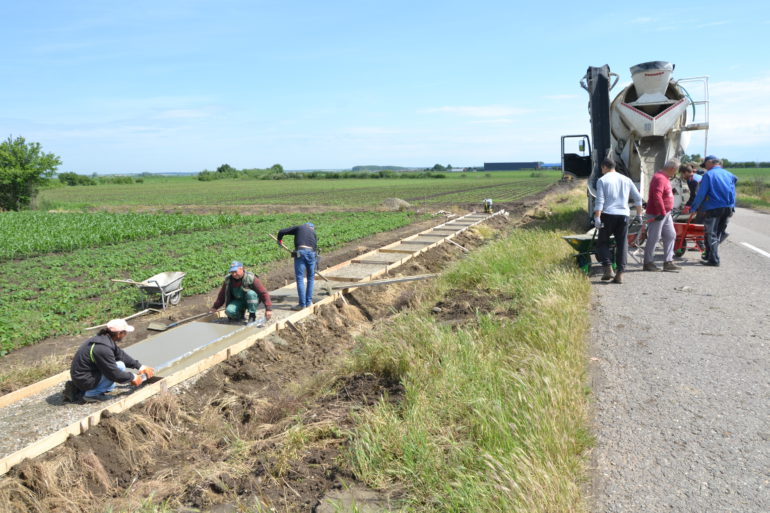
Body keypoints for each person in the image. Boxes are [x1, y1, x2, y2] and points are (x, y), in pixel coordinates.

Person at [64, 318, 154, 403]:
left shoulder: (104, 339)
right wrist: (132, 377)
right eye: (125, 333)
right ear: (119, 333)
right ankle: (91, 395)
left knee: (120, 366)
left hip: (85, 374)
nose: (125, 335)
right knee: (113, 373)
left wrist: (140, 367)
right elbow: (114, 373)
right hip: (83, 378)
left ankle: (87, 388)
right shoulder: (102, 348)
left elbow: (121, 355)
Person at [593, 158, 643, 284]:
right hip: (623, 215)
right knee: (622, 244)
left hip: (608, 215)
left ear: (605, 167)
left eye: (602, 168)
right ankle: (620, 274)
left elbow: (600, 201)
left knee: (602, 243)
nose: (601, 171)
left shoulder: (602, 180)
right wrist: (639, 215)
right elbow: (638, 198)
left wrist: (597, 217)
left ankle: (608, 267)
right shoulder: (626, 179)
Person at [690, 155, 738, 267]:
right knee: (718, 233)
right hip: (728, 207)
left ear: (710, 162)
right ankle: (709, 255)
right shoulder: (729, 174)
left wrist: (693, 208)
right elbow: (733, 190)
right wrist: (733, 206)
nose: (705, 168)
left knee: (711, 234)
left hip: (713, 208)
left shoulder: (708, 175)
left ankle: (714, 260)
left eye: (705, 165)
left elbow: (701, 194)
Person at [643, 160, 682, 272]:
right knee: (654, 237)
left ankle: (668, 262)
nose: (676, 172)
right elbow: (657, 196)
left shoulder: (663, 178)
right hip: (658, 213)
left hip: (665, 212)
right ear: (672, 169)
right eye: (676, 170)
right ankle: (648, 262)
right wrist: (661, 211)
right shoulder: (660, 178)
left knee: (671, 235)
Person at [277, 222, 317, 310]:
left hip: (301, 253)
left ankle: (302, 304)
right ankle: (309, 302)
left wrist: (279, 240)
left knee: (300, 278)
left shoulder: (300, 227)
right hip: (312, 254)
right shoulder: (313, 233)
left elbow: (281, 231)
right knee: (311, 278)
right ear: (312, 228)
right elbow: (315, 249)